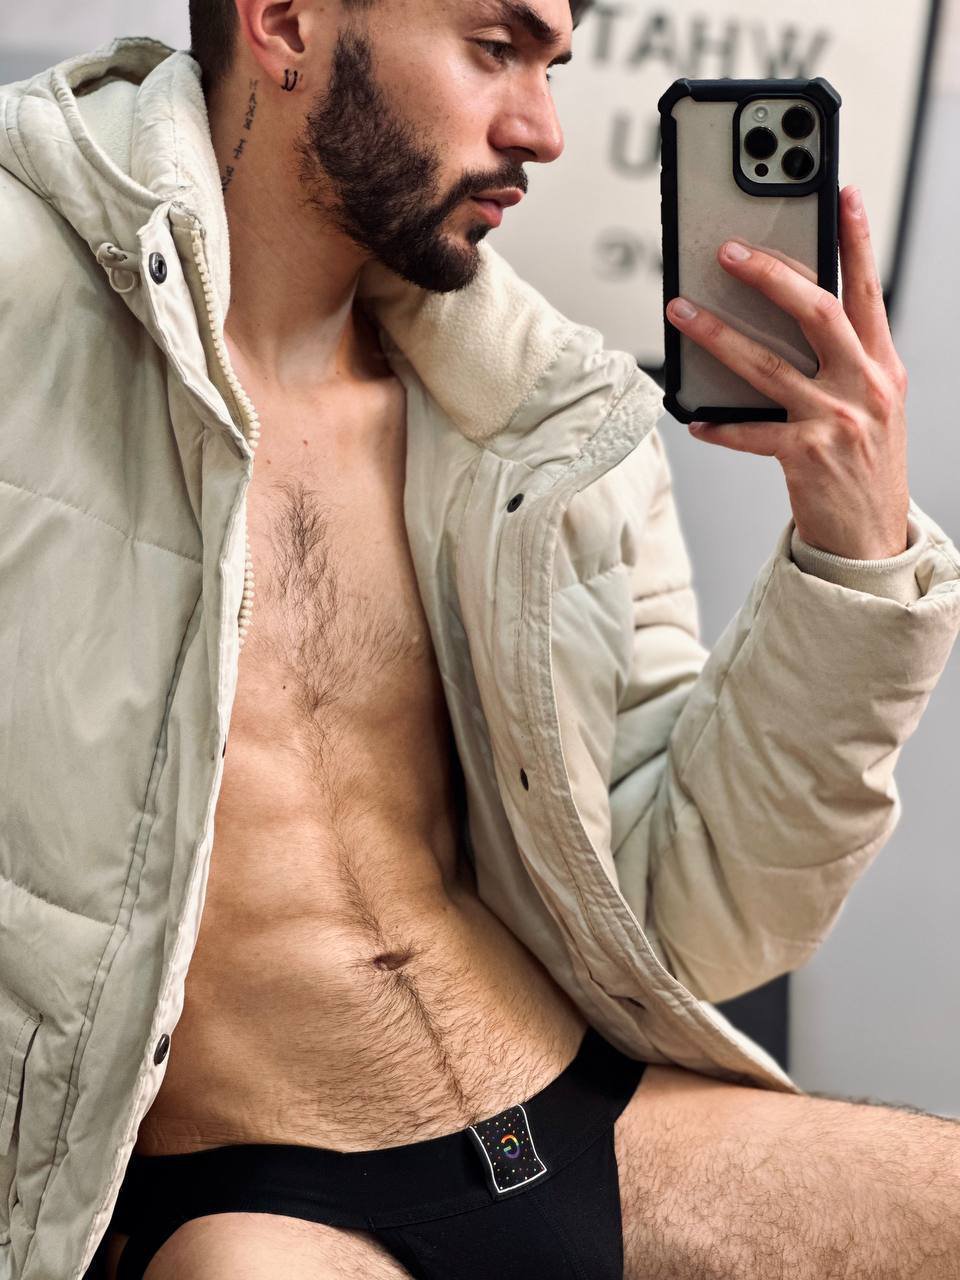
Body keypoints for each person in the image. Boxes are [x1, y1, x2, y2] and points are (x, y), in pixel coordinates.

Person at [0, 0, 958, 1276]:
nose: (544, 129)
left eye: (551, 65)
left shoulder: (545, 421)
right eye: (494, 50)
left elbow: (692, 909)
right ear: (284, 22)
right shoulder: (22, 298)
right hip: (262, 1199)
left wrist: (854, 555)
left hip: (582, 1116)